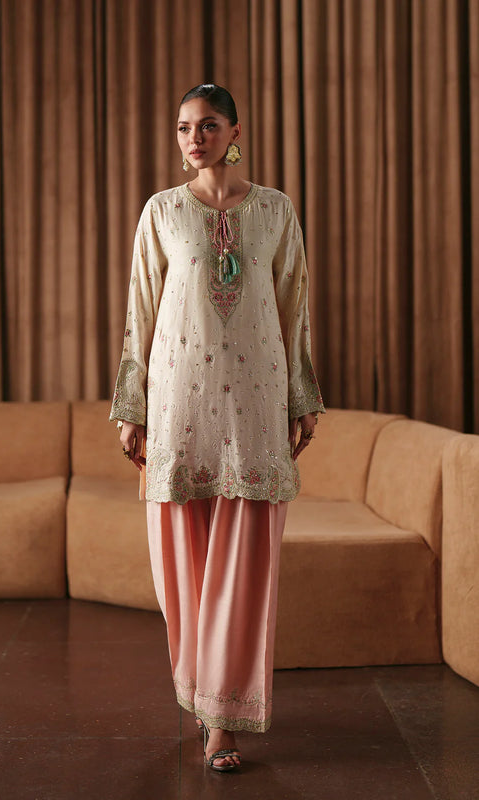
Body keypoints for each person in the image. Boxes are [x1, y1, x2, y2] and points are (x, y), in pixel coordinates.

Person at [109, 83, 325, 772]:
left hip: (255, 404)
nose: (193, 138)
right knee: (183, 563)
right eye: (183, 128)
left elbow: (294, 305)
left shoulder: (274, 211)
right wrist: (132, 405)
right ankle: (202, 697)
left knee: (245, 563)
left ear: (235, 132)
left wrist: (301, 397)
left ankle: (223, 720)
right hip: (180, 403)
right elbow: (141, 309)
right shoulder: (162, 212)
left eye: (206, 125)